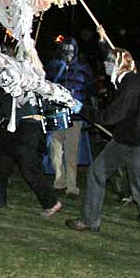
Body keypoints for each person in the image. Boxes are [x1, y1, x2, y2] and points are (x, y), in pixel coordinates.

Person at [66, 36, 140, 247]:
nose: (105, 63)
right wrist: (102, 40)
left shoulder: (130, 86)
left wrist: (81, 109)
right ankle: (90, 220)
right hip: (122, 140)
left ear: (119, 65)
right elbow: (111, 55)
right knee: (97, 172)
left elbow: (109, 117)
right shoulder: (122, 80)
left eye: (110, 61)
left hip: (139, 144)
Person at [0, 87, 62, 218]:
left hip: (28, 125)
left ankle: (51, 202)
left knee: (30, 167)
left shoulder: (30, 77)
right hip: (8, 123)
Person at [44, 37, 93, 197]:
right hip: (55, 112)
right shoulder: (52, 67)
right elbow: (45, 86)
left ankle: (72, 187)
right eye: (65, 50)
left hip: (74, 116)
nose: (68, 53)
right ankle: (59, 182)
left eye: (71, 50)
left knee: (71, 152)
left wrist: (87, 109)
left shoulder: (83, 69)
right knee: (55, 151)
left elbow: (90, 89)